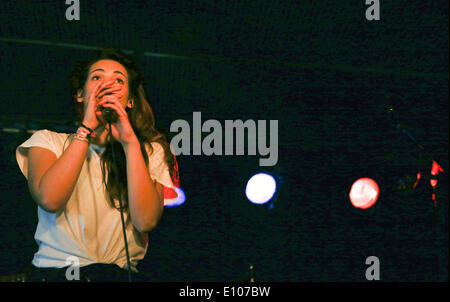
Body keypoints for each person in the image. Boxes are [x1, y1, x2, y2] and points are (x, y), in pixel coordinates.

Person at [15, 48, 179, 282]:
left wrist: (130, 142)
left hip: (118, 275)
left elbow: (145, 221)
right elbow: (50, 199)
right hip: (55, 273)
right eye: (97, 77)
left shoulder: (149, 151)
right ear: (81, 94)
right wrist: (86, 129)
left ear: (130, 101)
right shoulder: (47, 141)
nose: (107, 85)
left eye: (119, 80)